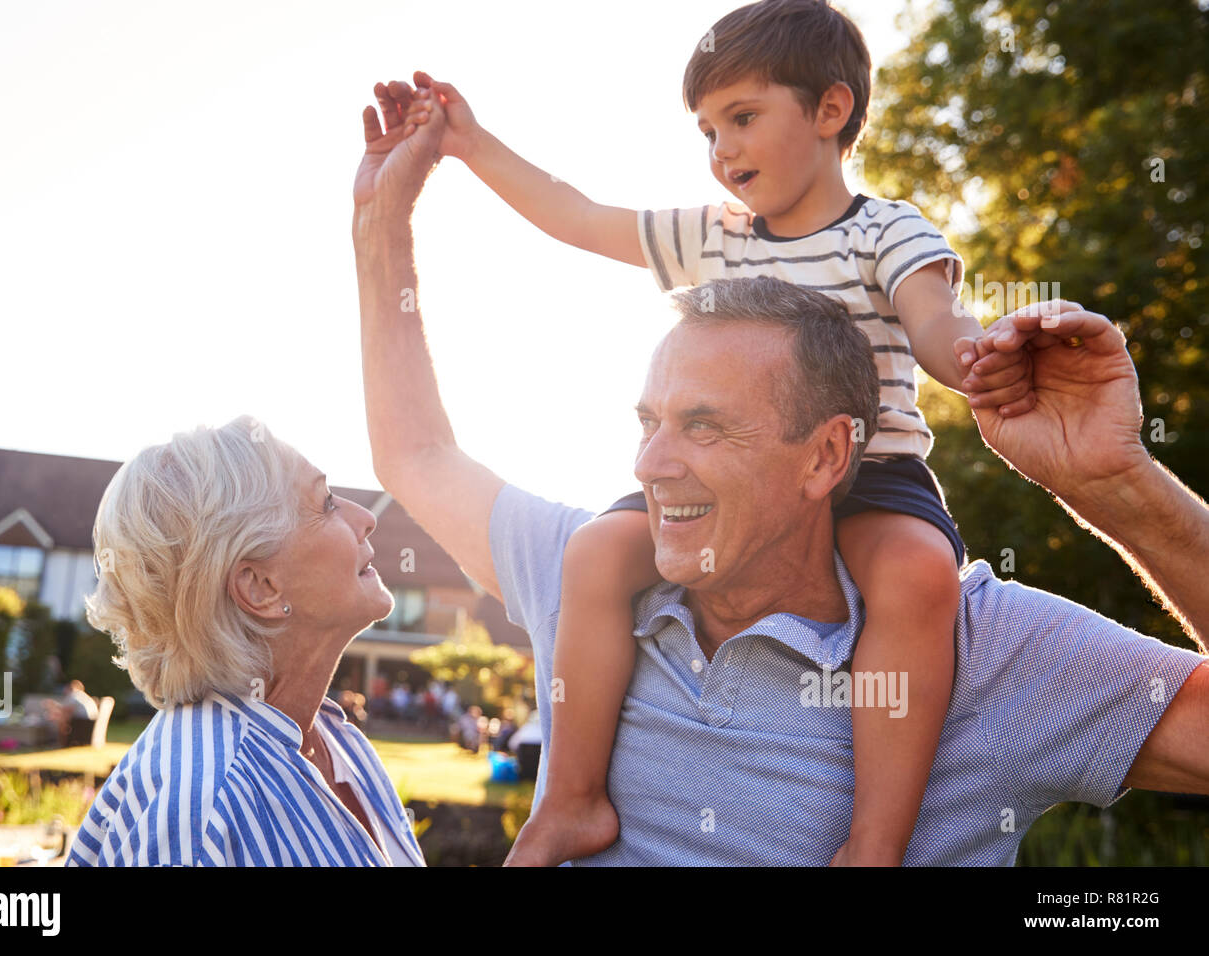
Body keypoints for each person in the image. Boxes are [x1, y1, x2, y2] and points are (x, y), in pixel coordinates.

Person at [352, 88, 1209, 865]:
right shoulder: (593, 580)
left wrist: (1116, 486)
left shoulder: (975, 652)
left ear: (829, 457)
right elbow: (416, 457)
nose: (648, 466)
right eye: (648, 422)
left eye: (703, 427)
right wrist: (381, 225)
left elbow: (944, 323)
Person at [403, 0, 1033, 866]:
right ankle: (573, 801)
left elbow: (936, 323)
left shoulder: (887, 229)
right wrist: (471, 145)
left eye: (742, 118)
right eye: (707, 130)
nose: (722, 150)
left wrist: (983, 362)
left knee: (919, 574)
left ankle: (873, 843)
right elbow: (577, 215)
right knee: (593, 554)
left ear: (830, 111)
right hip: (728, 473)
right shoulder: (716, 235)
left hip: (872, 468)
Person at [66, 417, 424, 866]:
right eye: (327, 503)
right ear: (260, 588)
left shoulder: (335, 741)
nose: (366, 519)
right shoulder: (204, 816)